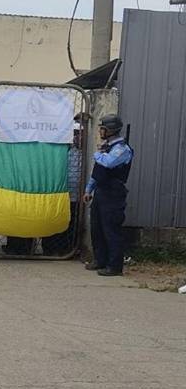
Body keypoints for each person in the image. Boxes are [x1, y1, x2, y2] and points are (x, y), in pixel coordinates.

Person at [84, 115, 134, 276]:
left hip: (113, 193)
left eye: (103, 129)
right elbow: (98, 171)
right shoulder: (106, 148)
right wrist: (89, 189)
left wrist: (97, 153)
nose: (100, 131)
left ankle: (114, 266)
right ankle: (100, 260)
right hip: (101, 191)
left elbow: (109, 163)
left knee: (111, 229)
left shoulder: (122, 149)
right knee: (97, 228)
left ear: (111, 130)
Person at [42, 122, 83, 256]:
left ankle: (66, 249)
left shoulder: (82, 153)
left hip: (75, 195)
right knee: (52, 220)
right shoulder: (60, 151)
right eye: (74, 134)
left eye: (78, 134)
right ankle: (49, 248)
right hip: (57, 193)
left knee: (71, 223)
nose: (76, 137)